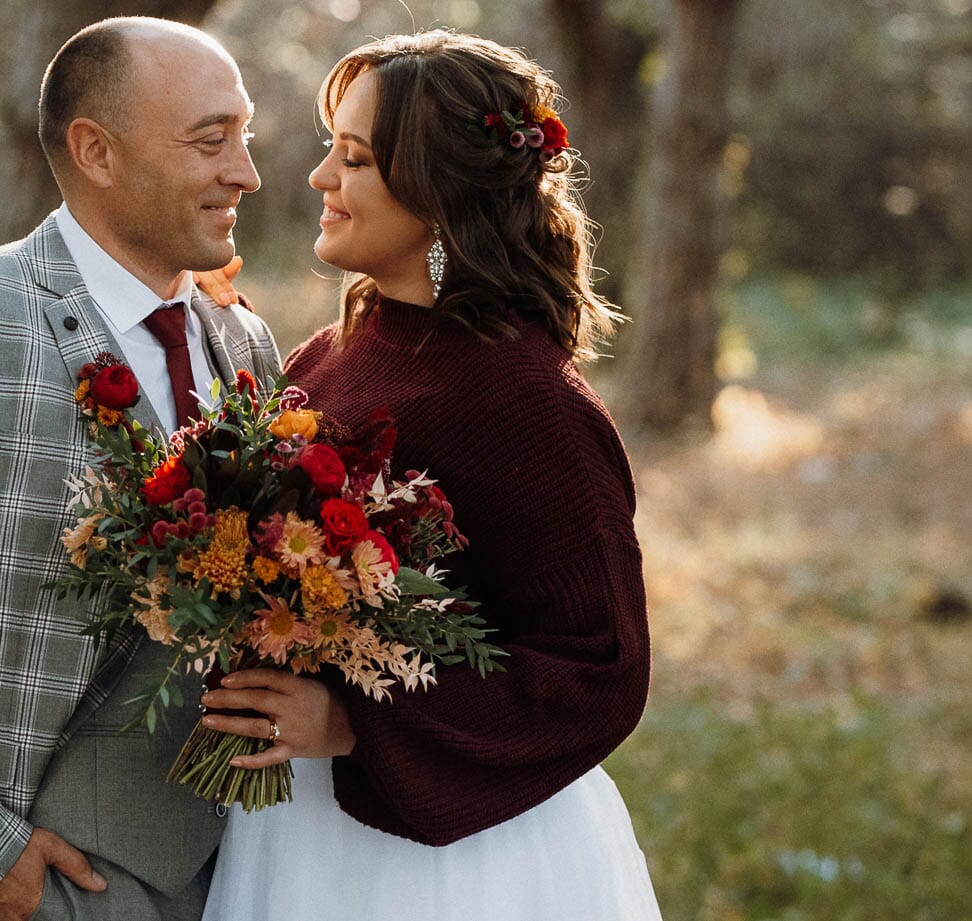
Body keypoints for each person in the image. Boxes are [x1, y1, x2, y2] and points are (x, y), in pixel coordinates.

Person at [197, 30, 662, 921]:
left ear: (438, 192)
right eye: (331, 150)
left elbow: (600, 666)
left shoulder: (528, 401)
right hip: (294, 832)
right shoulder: (331, 354)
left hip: (450, 863)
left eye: (356, 158)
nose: (319, 179)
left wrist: (351, 723)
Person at [0, 17, 280, 921]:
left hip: (241, 870)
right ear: (96, 151)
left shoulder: (245, 340)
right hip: (40, 872)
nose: (245, 171)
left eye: (244, 135)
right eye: (212, 140)